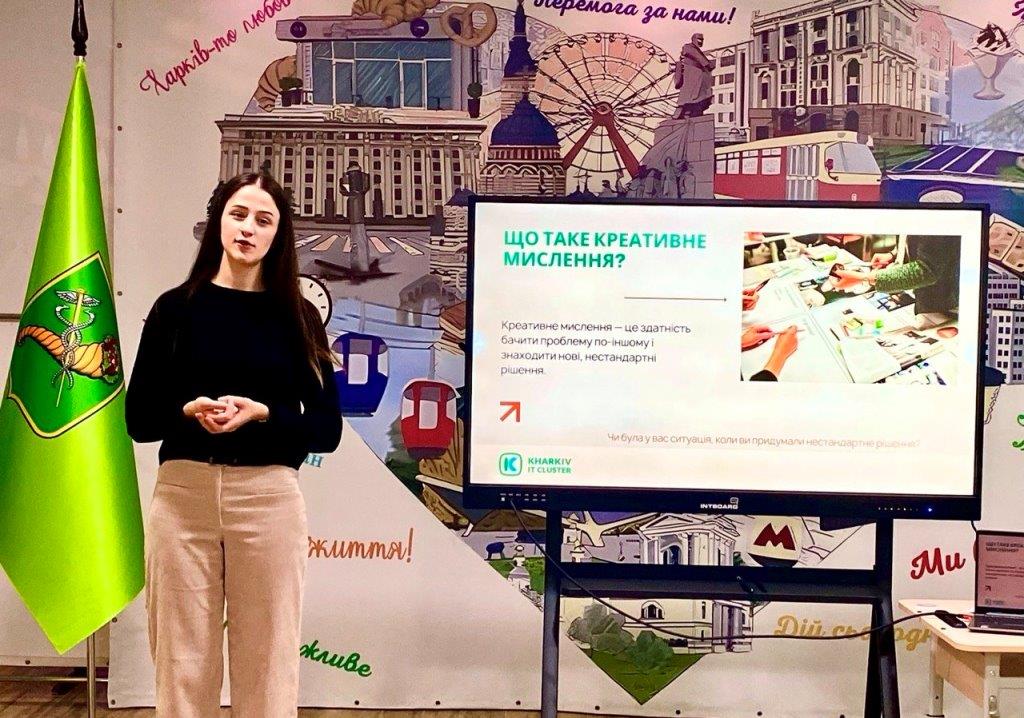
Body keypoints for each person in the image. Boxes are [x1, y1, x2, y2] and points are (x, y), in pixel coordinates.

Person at [125, 171, 343, 716]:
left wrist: (264, 414)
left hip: (268, 499)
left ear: (278, 234)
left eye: (263, 220)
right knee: (181, 661)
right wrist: (187, 410)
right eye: (238, 214)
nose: (248, 228)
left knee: (268, 660)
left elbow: (327, 429)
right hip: (183, 498)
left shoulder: (299, 317)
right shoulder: (173, 309)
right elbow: (139, 420)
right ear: (218, 222)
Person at [831, 235, 961, 327]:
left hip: (946, 305)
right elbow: (912, 239)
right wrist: (894, 255)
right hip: (925, 299)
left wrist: (864, 278)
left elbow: (927, 270)